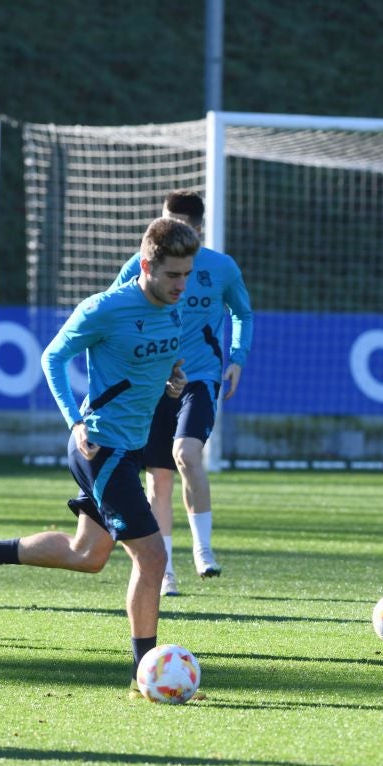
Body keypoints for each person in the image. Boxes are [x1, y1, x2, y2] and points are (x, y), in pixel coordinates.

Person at [0, 217, 199, 691]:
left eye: (187, 274)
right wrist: (75, 423)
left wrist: (172, 376)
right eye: (173, 275)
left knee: (88, 554)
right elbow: (52, 357)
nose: (182, 285)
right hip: (101, 447)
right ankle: (147, 672)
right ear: (146, 266)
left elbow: (158, 354)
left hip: (129, 447)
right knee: (153, 557)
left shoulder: (174, 307)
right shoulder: (106, 307)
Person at [110, 190, 253, 596]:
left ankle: (203, 550)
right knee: (158, 481)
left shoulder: (220, 268)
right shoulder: (142, 266)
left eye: (184, 225)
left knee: (185, 453)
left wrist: (237, 357)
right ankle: (166, 570)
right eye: (168, 222)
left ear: (198, 228)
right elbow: (114, 306)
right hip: (153, 382)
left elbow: (242, 311)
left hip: (201, 377)